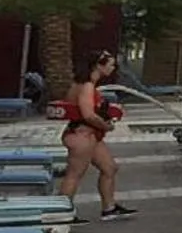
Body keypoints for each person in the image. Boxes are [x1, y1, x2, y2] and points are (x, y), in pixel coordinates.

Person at [58, 51, 136, 221]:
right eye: (110, 64)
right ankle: (60, 213)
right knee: (74, 174)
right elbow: (88, 115)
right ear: (98, 66)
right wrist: (105, 126)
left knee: (109, 168)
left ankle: (109, 208)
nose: (113, 68)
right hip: (82, 136)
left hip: (89, 135)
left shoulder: (84, 85)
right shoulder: (86, 86)